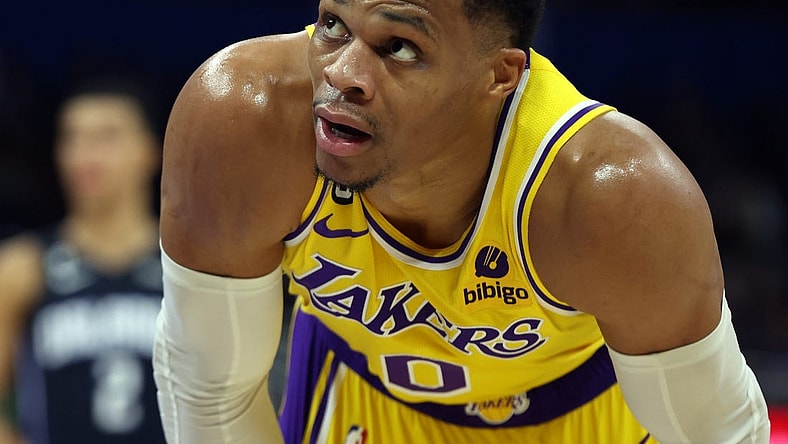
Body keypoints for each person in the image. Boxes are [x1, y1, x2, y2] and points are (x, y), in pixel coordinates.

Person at [153, 0, 771, 443]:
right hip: (363, 393)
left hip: (588, 411)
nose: (342, 75)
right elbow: (209, 394)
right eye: (333, 25)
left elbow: (720, 434)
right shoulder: (246, 121)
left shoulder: (610, 198)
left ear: (501, 75)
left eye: (399, 47)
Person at [0, 76, 168, 444]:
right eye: (71, 138)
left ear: (150, 151)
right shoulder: (23, 267)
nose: (84, 153)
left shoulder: (189, 264)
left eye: (107, 137)